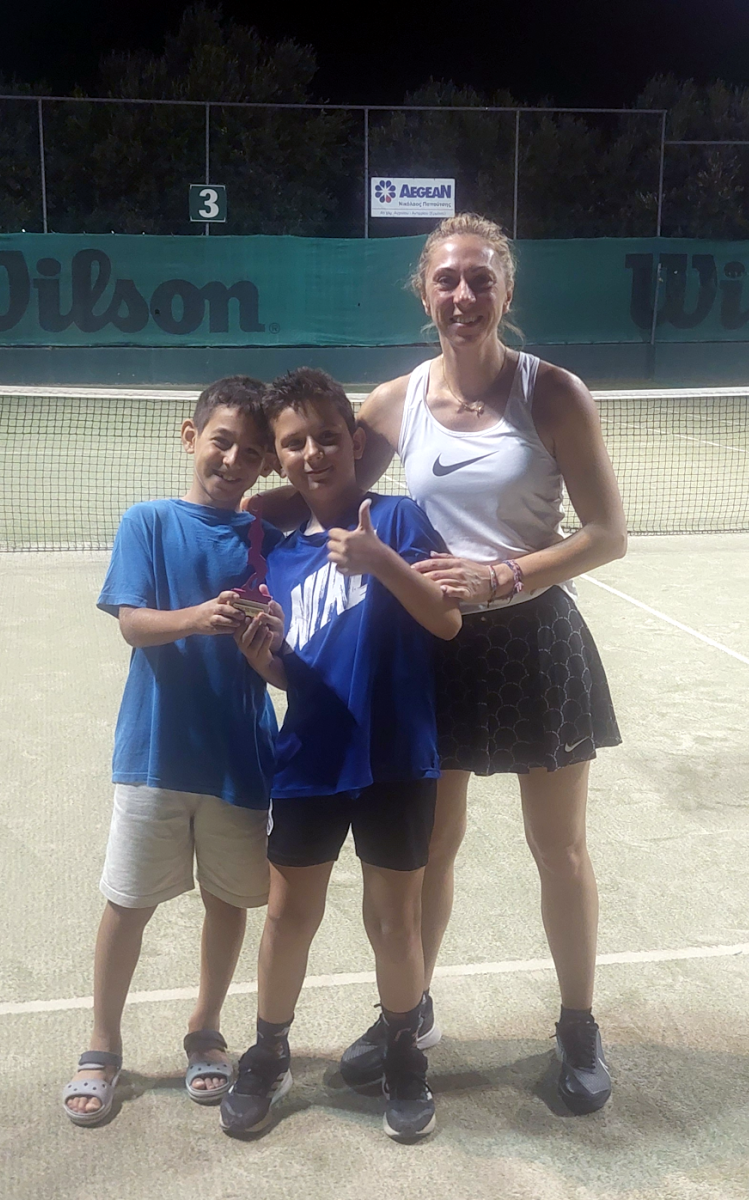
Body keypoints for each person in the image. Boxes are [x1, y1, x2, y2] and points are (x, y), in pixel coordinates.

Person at [250, 214, 627, 1115]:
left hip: (534, 643)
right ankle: (409, 1016)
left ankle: (578, 1025)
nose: (463, 295)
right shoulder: (394, 401)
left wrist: (504, 574)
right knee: (429, 850)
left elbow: (607, 535)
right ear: (422, 292)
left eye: (480, 279)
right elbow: (324, 480)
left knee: (558, 848)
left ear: (505, 290)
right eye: (446, 280)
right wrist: (216, 516)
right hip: (429, 647)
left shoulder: (553, 393)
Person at [219, 367, 461, 1142]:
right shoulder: (279, 555)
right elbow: (297, 669)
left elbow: (446, 621)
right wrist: (267, 664)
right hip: (312, 756)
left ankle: (402, 1055)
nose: (313, 453)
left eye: (326, 437)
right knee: (288, 915)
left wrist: (379, 559)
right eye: (294, 443)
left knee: (395, 923)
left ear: (354, 442)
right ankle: (268, 1052)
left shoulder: (397, 518)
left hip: (397, 756)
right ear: (278, 458)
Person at [62, 377, 284, 1126]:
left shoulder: (267, 537)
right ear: (190, 437)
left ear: (265, 464)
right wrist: (197, 616)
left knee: (228, 902)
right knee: (128, 904)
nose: (233, 460)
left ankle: (205, 1028)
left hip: (240, 760)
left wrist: (264, 639)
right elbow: (132, 622)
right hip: (155, 752)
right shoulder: (149, 522)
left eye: (251, 453)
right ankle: (102, 1043)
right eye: (221, 441)